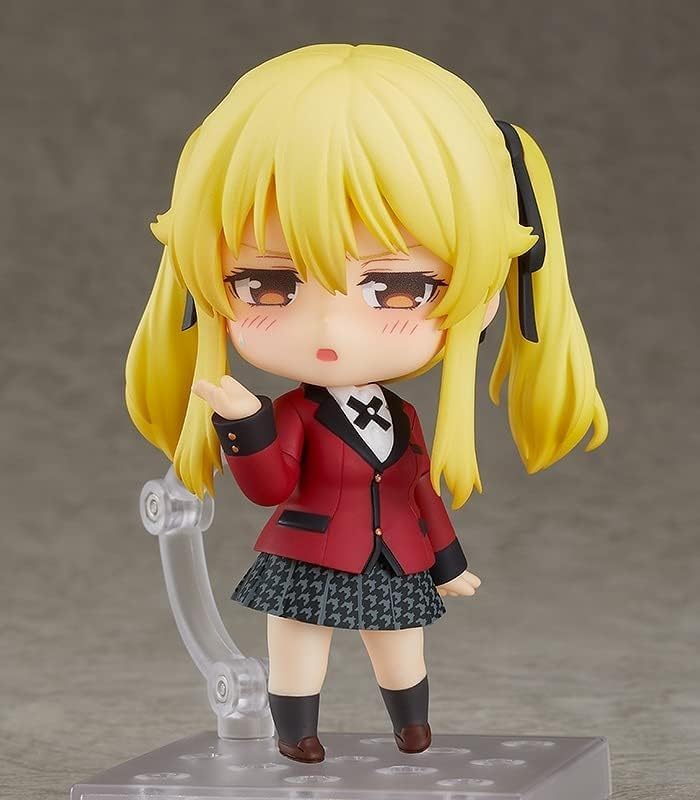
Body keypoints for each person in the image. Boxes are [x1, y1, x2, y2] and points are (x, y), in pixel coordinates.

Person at [125, 43, 608, 764]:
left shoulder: (404, 418)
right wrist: (245, 422)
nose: (330, 330)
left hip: (394, 553)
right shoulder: (292, 414)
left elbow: (420, 490)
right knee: (298, 645)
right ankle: (296, 734)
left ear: (482, 297)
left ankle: (412, 727)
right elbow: (269, 486)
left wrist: (448, 562)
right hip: (309, 549)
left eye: (400, 289)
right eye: (267, 285)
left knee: (401, 644)